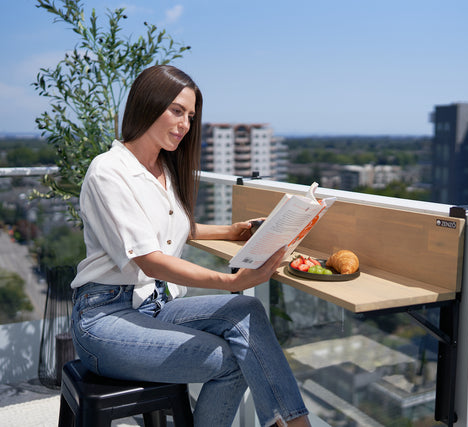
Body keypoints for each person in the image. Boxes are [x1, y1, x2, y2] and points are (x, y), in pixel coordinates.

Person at [69, 64, 312, 427]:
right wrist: (232, 281)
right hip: (104, 319)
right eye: (177, 111)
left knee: (246, 311)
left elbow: (171, 229)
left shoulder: (163, 170)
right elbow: (150, 260)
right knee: (229, 360)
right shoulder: (108, 171)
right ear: (148, 105)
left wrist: (233, 231)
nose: (185, 125)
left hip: (154, 307)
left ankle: (290, 422)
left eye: (191, 116)